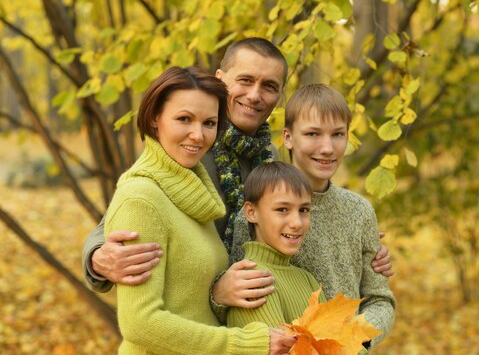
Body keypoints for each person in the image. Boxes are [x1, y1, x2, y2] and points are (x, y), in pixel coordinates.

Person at [81, 38, 392, 305]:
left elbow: (294, 211)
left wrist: (356, 242)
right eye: (245, 80)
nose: (255, 95)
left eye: (269, 86)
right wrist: (97, 258)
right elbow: (124, 209)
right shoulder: (192, 145)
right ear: (220, 79)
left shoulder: (269, 155)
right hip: (192, 316)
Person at [102, 66, 293, 354]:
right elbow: (139, 324)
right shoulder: (141, 198)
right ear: (155, 119)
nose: (198, 135)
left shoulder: (192, 191)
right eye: (184, 119)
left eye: (209, 123)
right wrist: (246, 344)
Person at [231, 84, 395, 348]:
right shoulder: (256, 212)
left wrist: (352, 343)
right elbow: (237, 291)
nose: (327, 147)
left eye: (338, 134)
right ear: (288, 137)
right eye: (312, 134)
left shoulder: (359, 211)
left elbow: (380, 299)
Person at [227, 162, 326, 328]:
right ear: (251, 212)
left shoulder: (307, 279)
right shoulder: (252, 280)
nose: (296, 223)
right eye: (282, 209)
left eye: (303, 210)